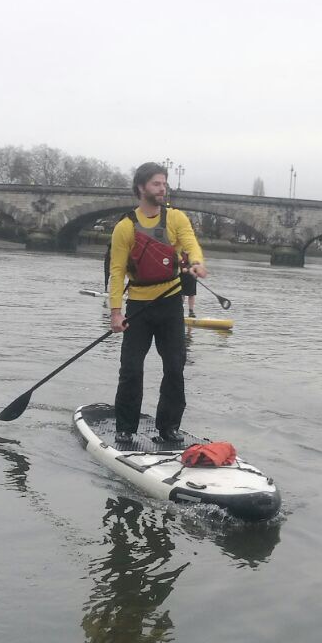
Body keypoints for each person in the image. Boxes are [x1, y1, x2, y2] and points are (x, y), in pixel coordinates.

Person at [107, 162, 206, 445]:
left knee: (174, 367)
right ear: (141, 187)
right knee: (131, 369)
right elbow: (117, 271)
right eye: (156, 184)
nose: (163, 188)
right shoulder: (125, 227)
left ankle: (169, 427)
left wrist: (196, 262)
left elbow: (190, 244)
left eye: (164, 183)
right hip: (138, 307)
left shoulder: (176, 218)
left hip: (170, 304)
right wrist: (116, 312)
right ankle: (126, 427)